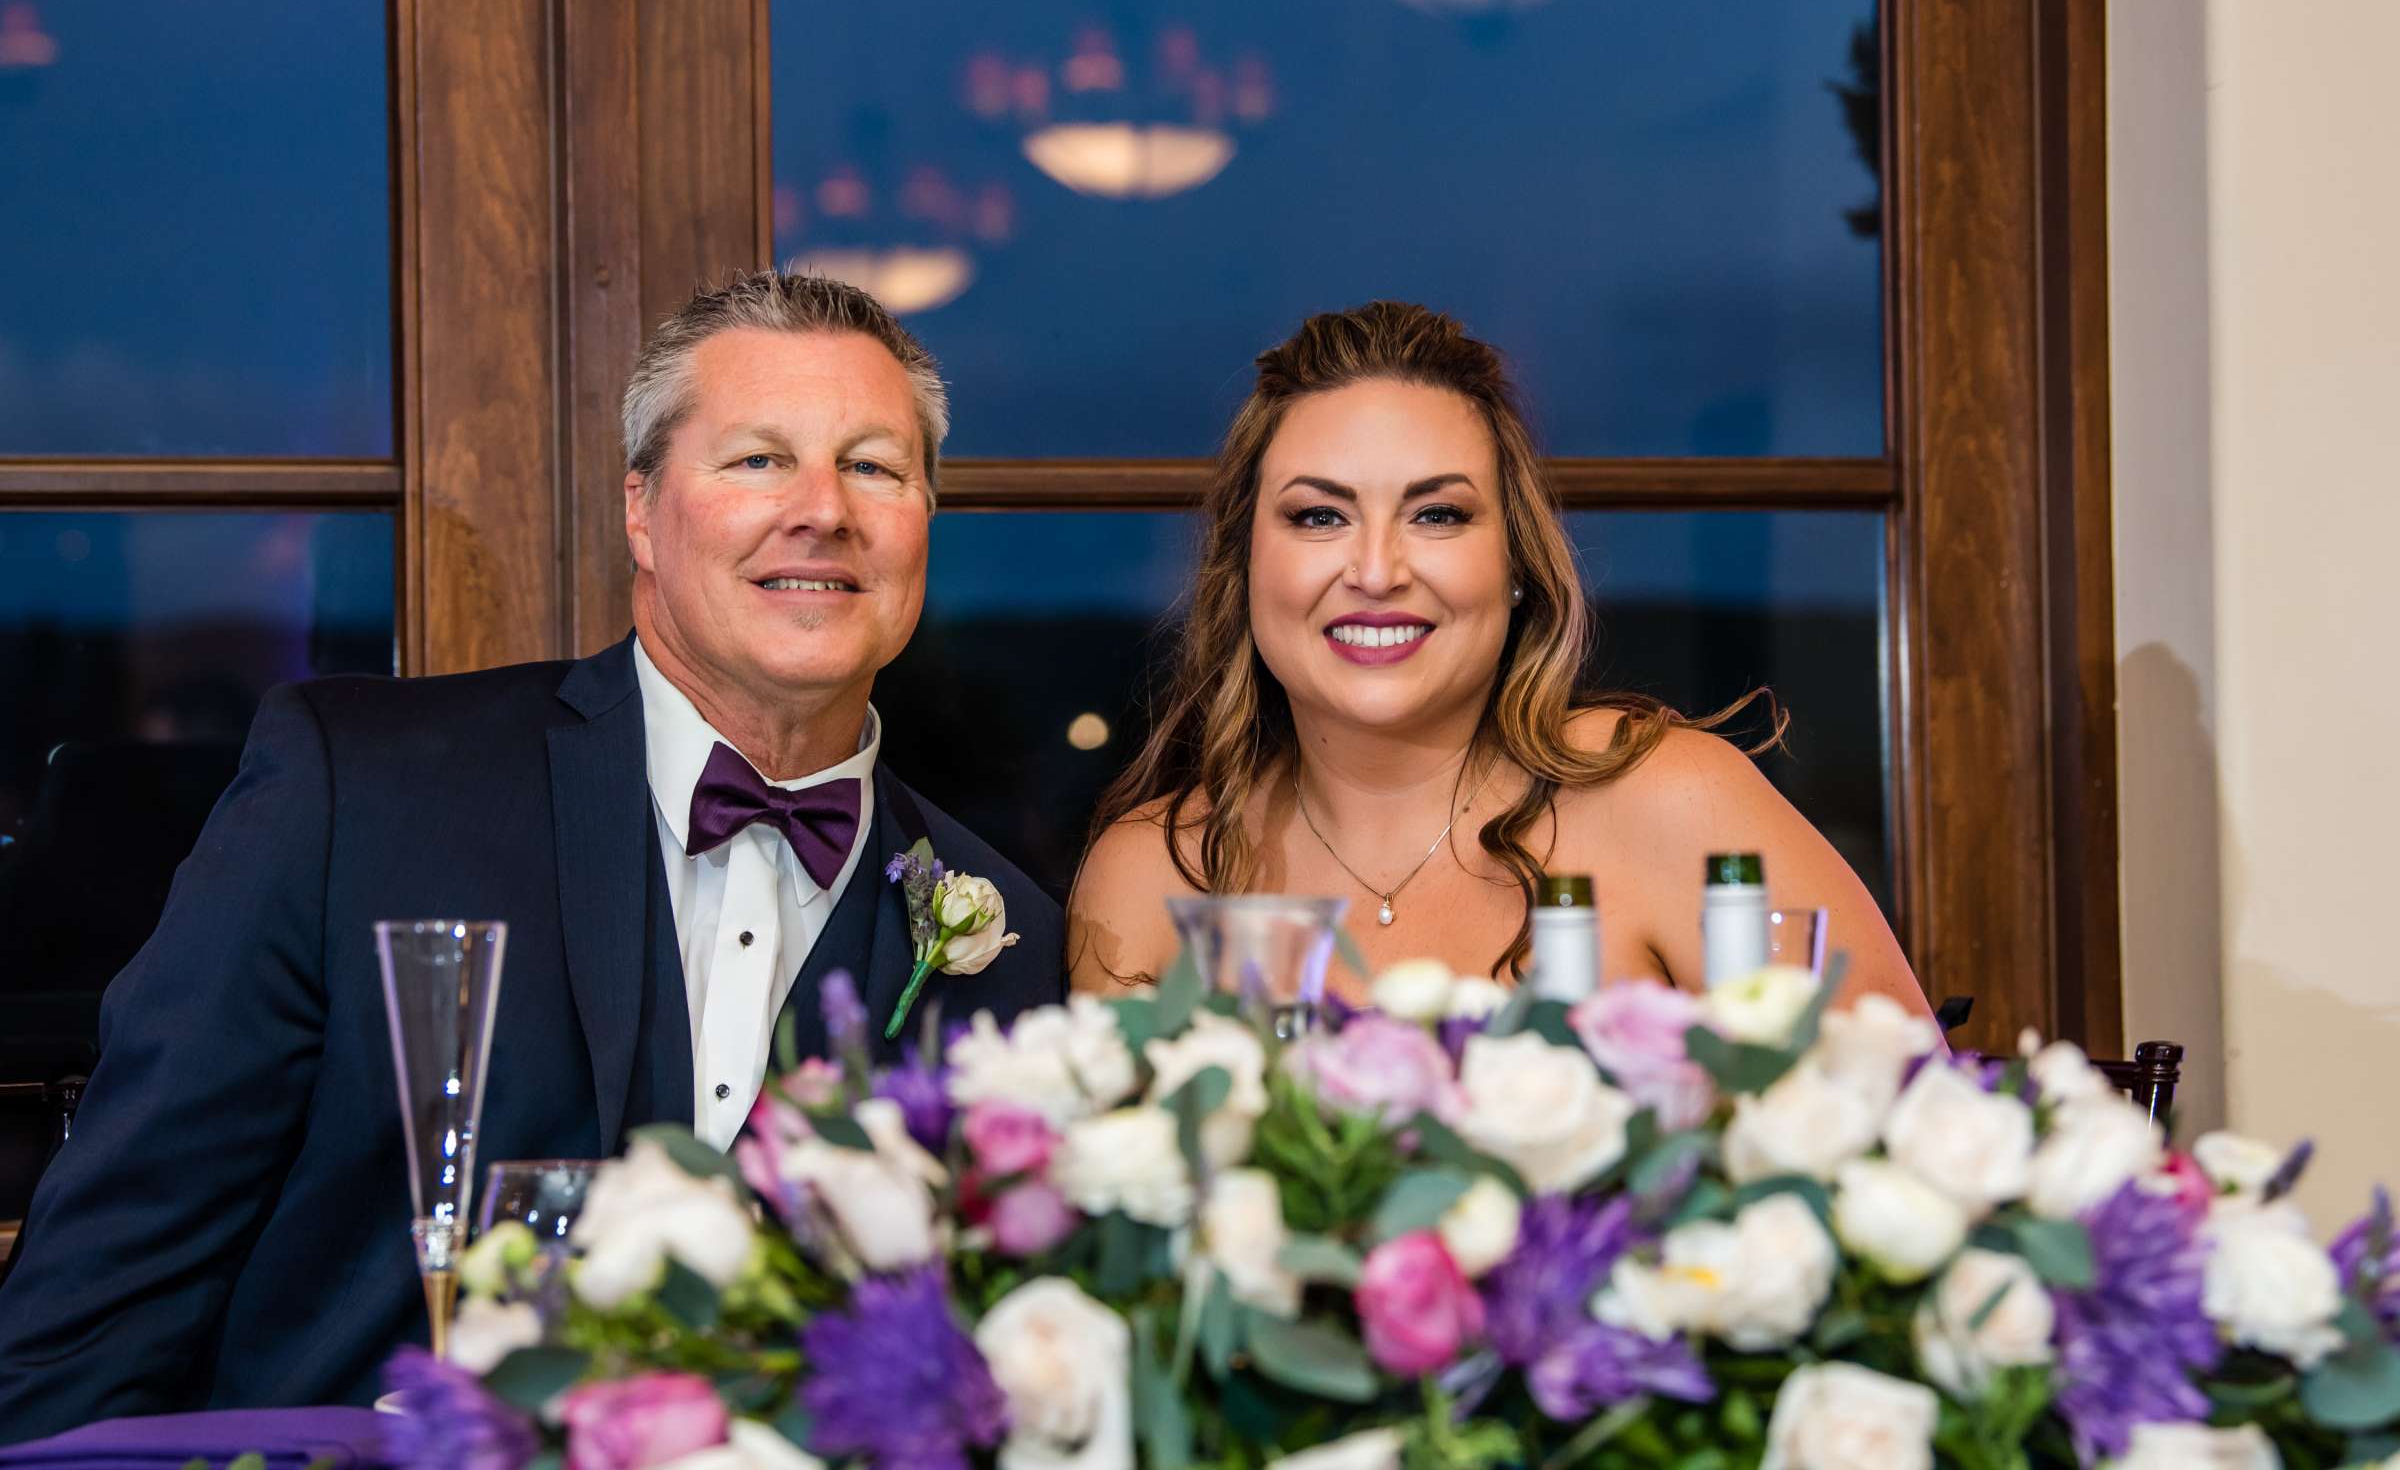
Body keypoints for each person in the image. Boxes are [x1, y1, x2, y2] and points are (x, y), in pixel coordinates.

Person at [0, 271, 1065, 1438]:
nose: (821, 508)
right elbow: (101, 1302)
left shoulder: (1006, 943)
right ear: (641, 512)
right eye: (757, 459)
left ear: (923, 522)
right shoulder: (359, 794)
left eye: (873, 465)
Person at [1069, 300, 1926, 1011]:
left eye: (1437, 514)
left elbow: (1903, 1151)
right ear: (1245, 565)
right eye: (1318, 516)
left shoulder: (1674, 804)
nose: (1375, 571)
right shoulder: (1149, 874)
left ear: (1515, 563)